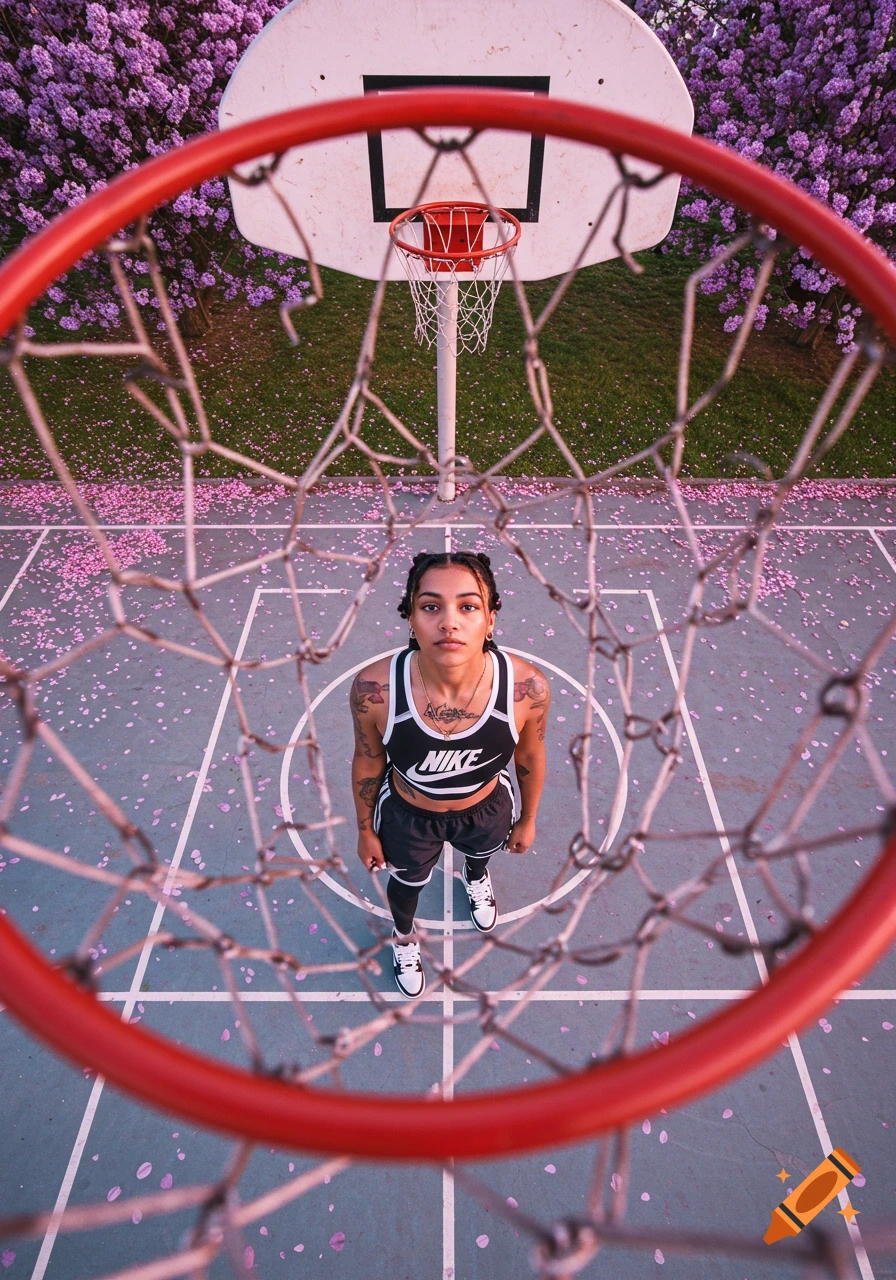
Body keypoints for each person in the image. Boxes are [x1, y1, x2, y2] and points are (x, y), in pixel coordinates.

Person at [350, 551, 549, 998]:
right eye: (430, 606)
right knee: (405, 886)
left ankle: (475, 878)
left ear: (491, 618)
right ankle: (404, 939)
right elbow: (367, 760)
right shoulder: (375, 690)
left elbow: (531, 755)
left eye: (468, 606)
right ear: (410, 617)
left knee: (480, 856)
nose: (449, 622)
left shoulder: (525, 688)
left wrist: (529, 817)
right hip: (407, 815)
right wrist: (365, 830)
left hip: (486, 807)